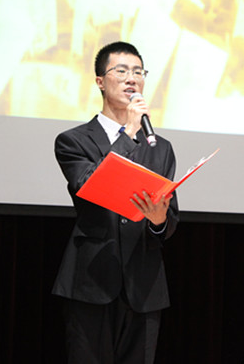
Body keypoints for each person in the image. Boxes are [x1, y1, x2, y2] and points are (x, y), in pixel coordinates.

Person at [53, 41, 179, 364]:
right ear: (100, 81)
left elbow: (169, 221)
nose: (131, 79)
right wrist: (129, 131)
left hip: (144, 288)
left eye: (138, 72)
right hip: (92, 282)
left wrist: (159, 221)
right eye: (121, 71)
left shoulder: (160, 147)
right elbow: (89, 185)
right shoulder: (73, 141)